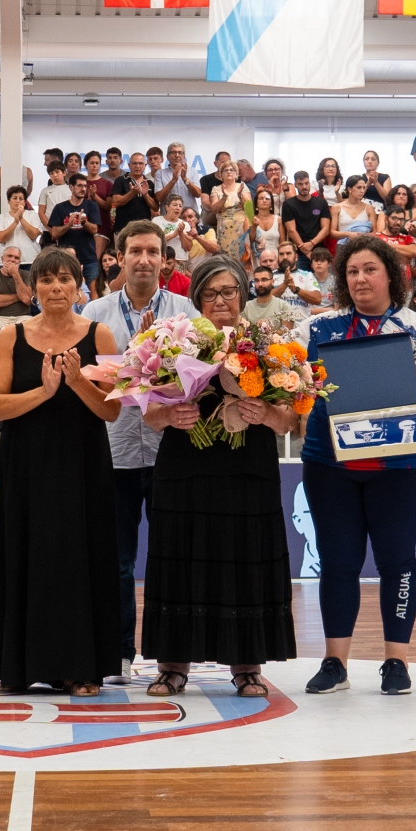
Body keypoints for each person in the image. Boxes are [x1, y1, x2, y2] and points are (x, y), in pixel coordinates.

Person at [133, 257, 300, 698]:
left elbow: (290, 421)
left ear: (242, 293)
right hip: (185, 468)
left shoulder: (269, 343)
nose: (220, 300)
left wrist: (265, 412)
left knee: (246, 559)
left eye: (228, 291)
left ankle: (247, 666)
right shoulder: (174, 340)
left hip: (248, 471)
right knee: (179, 559)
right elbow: (149, 414)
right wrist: (171, 414)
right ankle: (172, 666)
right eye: (209, 293)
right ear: (196, 299)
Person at [301, 234, 416, 696]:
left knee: (397, 559)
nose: (360, 279)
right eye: (351, 271)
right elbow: (291, 381)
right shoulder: (318, 328)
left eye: (369, 269)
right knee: (337, 561)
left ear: (392, 275)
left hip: (404, 464)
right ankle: (334, 663)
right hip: (329, 462)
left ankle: (396, 661)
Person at [0, 248, 123, 695]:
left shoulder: (100, 335)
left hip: (83, 464)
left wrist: (77, 382)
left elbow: (112, 411)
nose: (56, 287)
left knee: (79, 560)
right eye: (46, 280)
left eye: (64, 279)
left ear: (79, 287)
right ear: (34, 288)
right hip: (25, 466)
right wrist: (43, 393)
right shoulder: (11, 335)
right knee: (26, 556)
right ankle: (20, 666)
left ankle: (81, 667)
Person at [80, 220, 200, 680]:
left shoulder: (185, 311)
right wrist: (135, 357)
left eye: (153, 251)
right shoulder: (95, 313)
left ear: (165, 259)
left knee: (172, 558)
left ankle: (172, 654)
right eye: (136, 251)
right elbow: (89, 380)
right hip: (115, 453)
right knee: (118, 561)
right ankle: (120, 652)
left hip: (173, 452)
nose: (144, 260)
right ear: (120, 258)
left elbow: (198, 374)